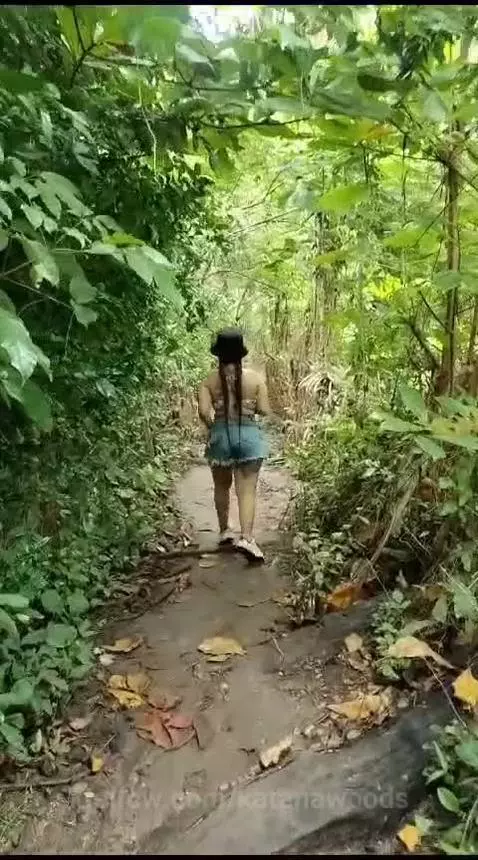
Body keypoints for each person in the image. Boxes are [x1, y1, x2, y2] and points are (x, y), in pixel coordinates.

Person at [198, 328, 270, 562]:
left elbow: (203, 411)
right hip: (249, 436)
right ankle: (247, 538)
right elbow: (264, 410)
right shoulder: (256, 379)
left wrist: (214, 427)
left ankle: (225, 531)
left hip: (220, 436)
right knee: (247, 490)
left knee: (221, 486)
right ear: (241, 353)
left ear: (218, 354)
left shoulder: (208, 381)